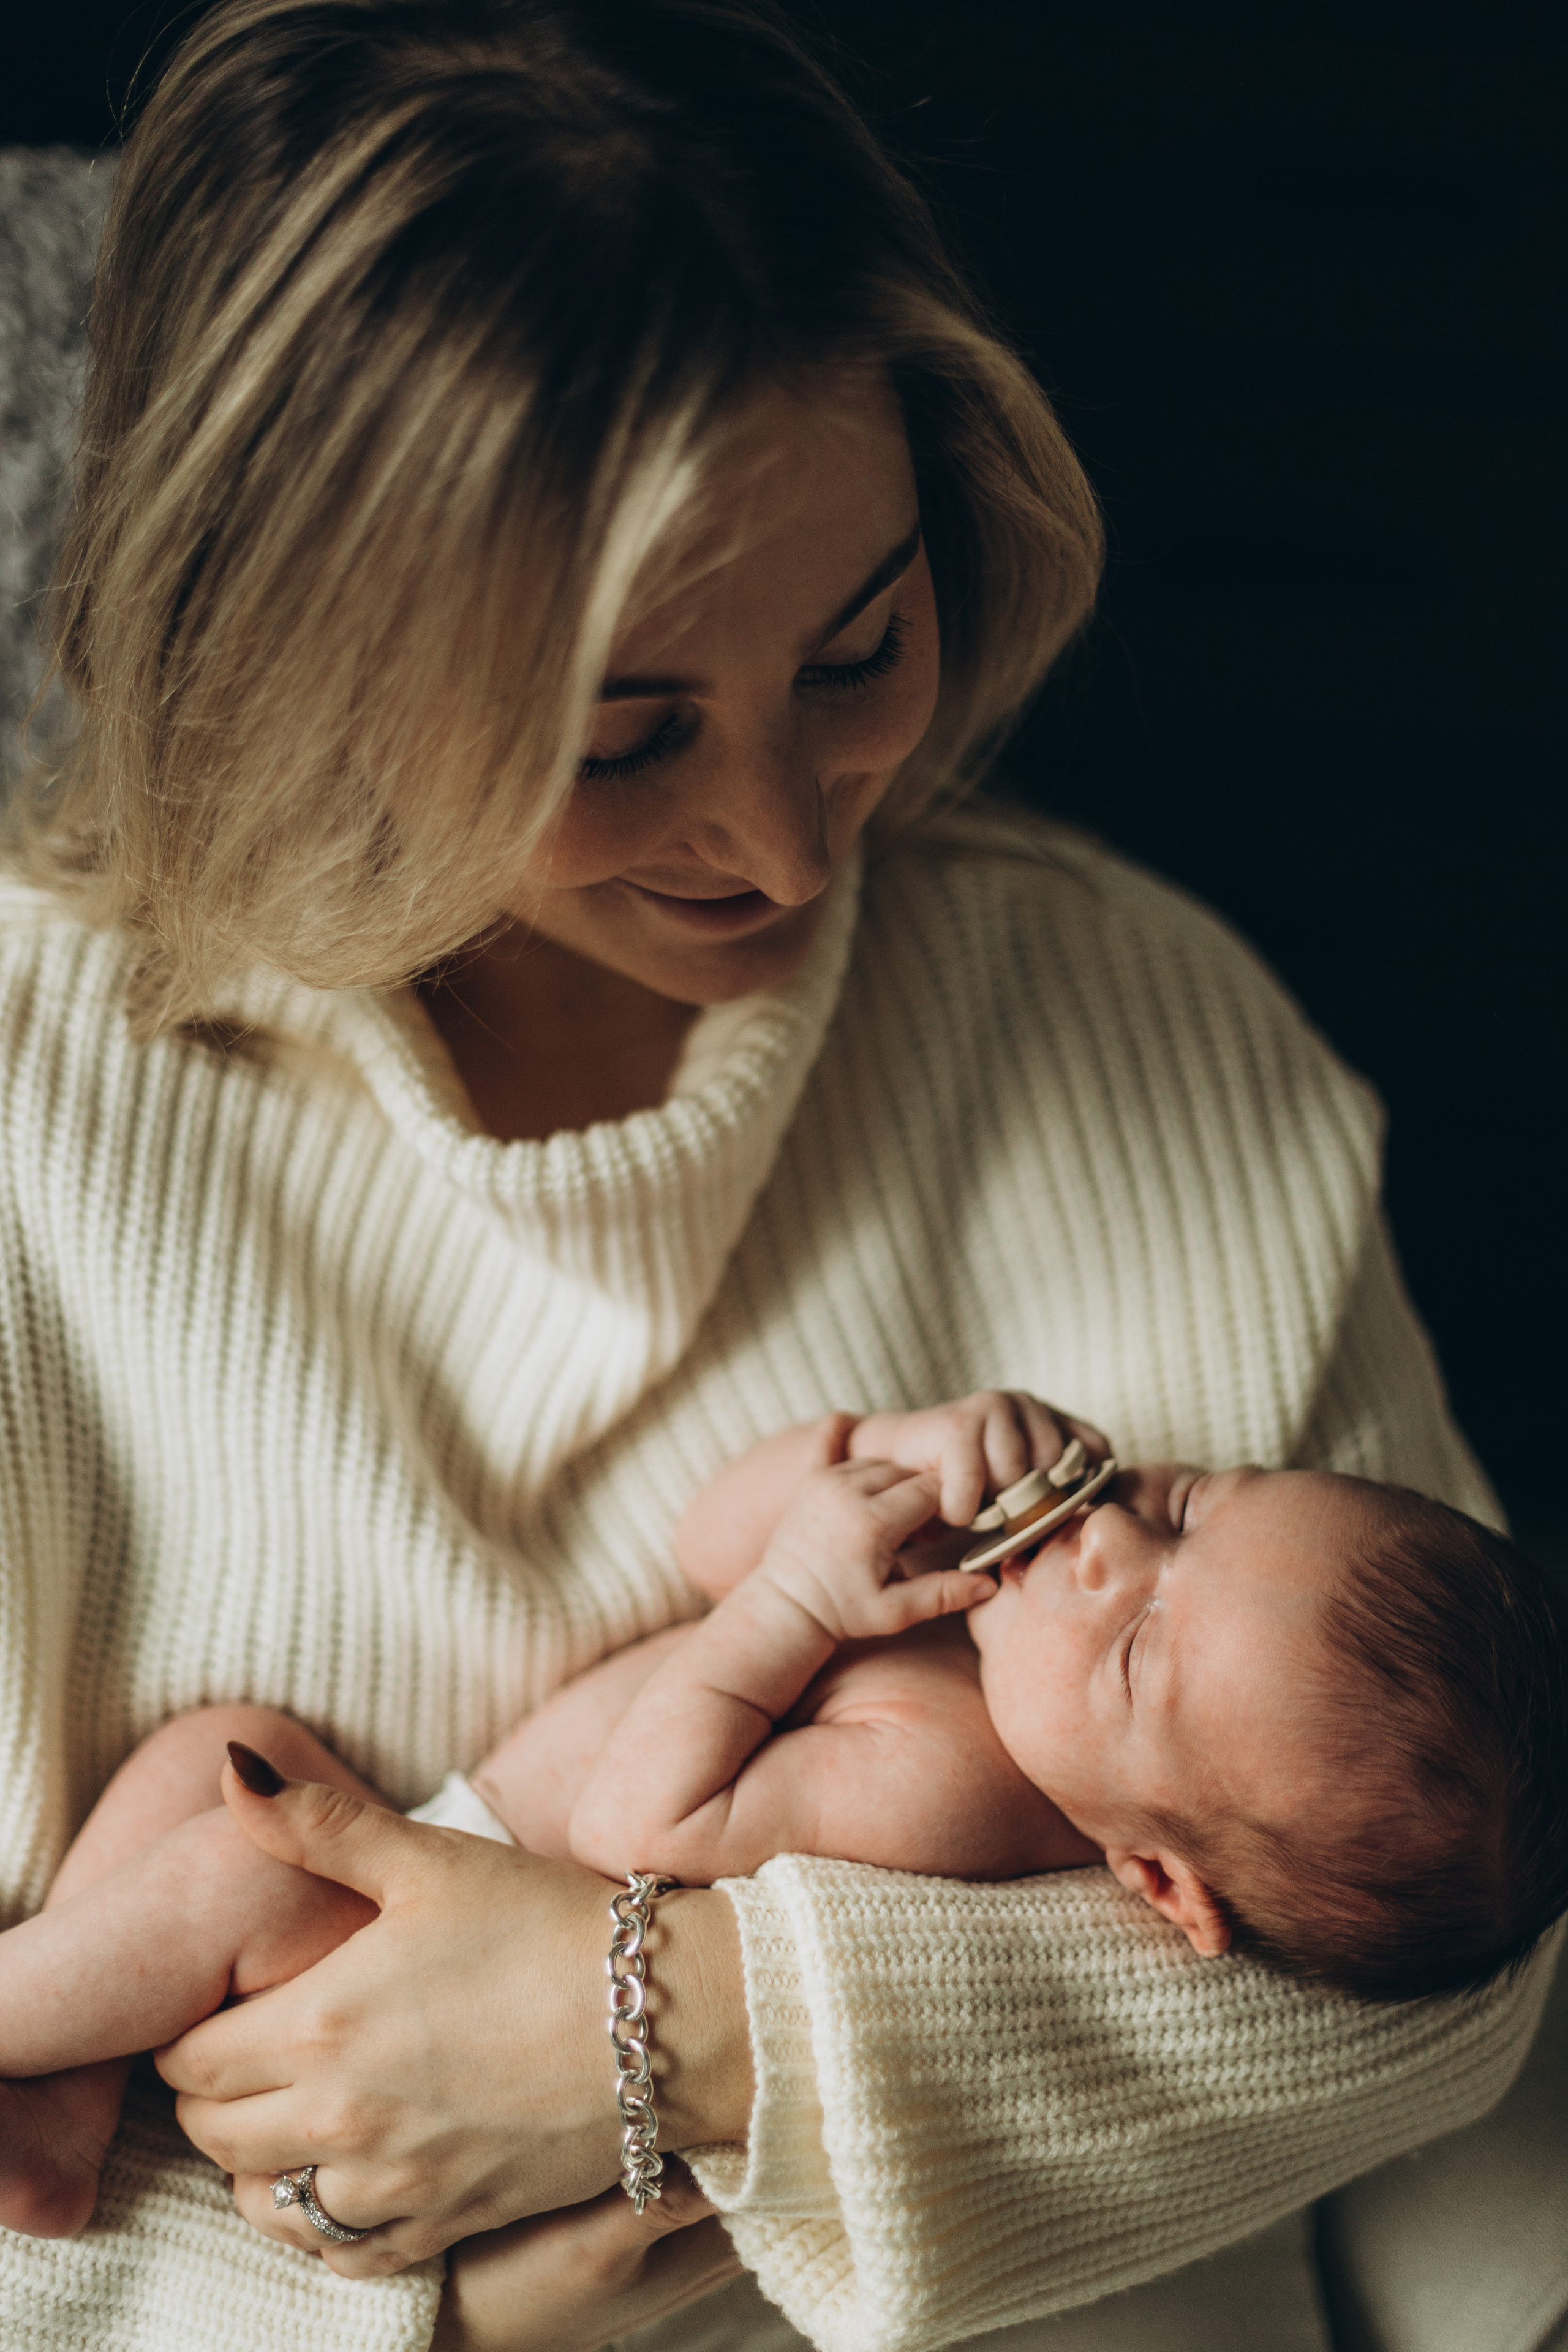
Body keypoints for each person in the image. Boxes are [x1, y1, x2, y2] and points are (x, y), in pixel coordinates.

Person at [0, 3, 1558, 2349]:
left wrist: (679, 2028)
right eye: (619, 740)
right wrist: (438, 2307)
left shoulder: (1136, 1028)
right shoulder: (42, 1108)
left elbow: (1450, 1961)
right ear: (314, 663)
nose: (783, 835)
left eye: (860, 649)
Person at [4, 1388, 1565, 2248]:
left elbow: (646, 1821)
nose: (1101, 1550)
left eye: (1142, 1648)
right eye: (1190, 1506)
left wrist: (805, 1598)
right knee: (227, 1747)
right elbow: (709, 1538)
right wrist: (885, 1463)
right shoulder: (995, 1610)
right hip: (422, 1835)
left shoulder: (950, 1779)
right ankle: (58, 2133)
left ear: (1154, 1874)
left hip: (416, 1927)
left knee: (231, 1857)